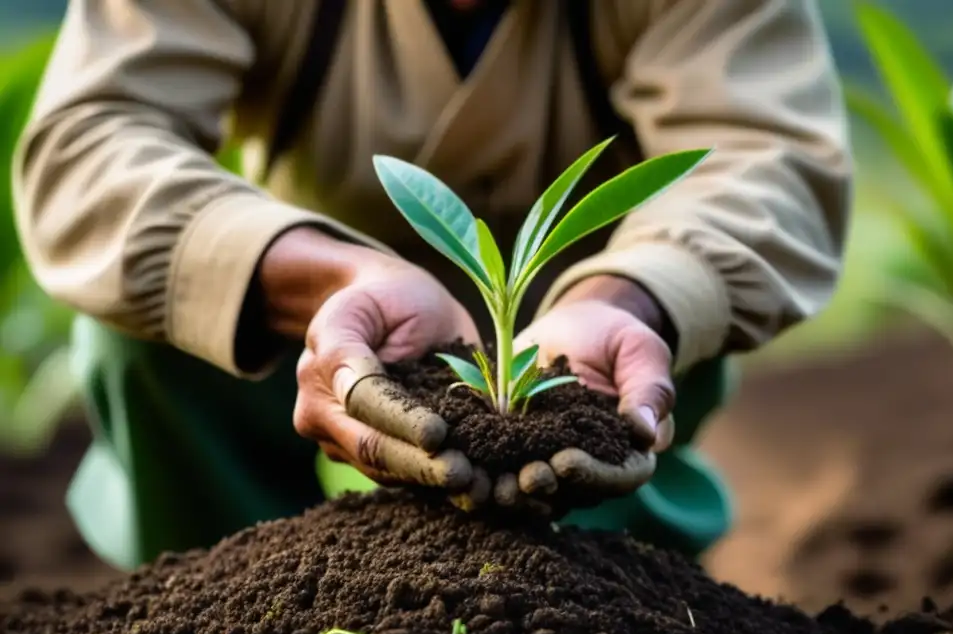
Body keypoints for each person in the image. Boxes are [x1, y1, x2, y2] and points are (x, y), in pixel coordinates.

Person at [12, 0, 851, 570]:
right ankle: (228, 603)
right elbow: (89, 146)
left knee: (686, 299)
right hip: (316, 315)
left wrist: (630, 296)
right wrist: (317, 275)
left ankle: (618, 583)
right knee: (151, 317)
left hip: (580, 356)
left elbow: (768, 161)